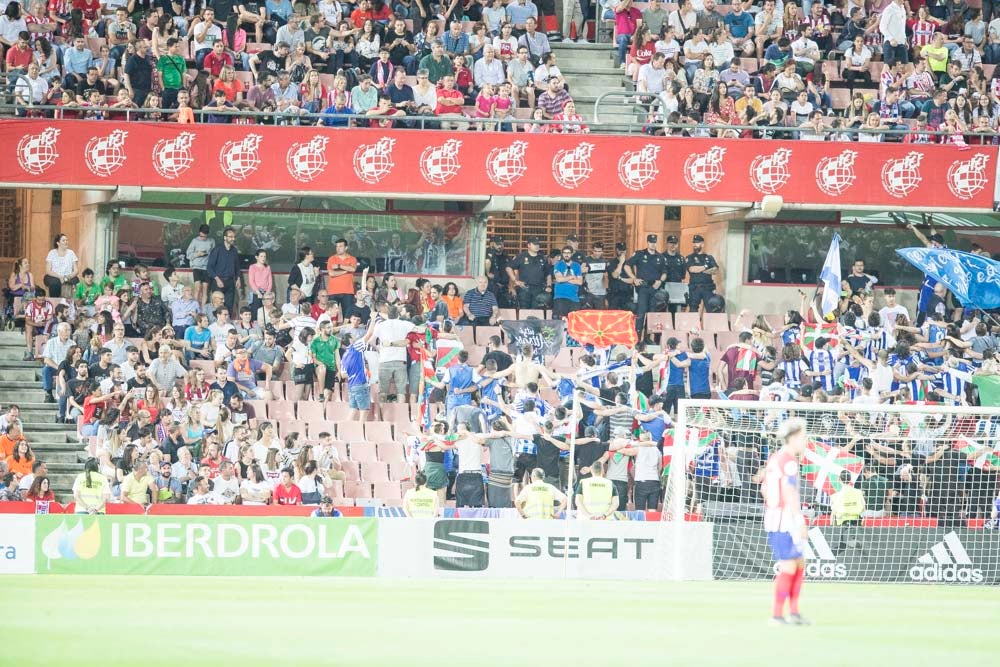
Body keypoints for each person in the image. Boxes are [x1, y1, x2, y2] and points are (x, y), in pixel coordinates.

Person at [763, 417, 809, 625]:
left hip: (776, 517)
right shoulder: (789, 460)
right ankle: (777, 615)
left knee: (799, 563)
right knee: (790, 566)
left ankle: (794, 612)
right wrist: (799, 521)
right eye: (802, 437)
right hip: (784, 520)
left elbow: (764, 487)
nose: (805, 441)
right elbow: (790, 492)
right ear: (793, 438)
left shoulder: (776, 458)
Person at [624, 234, 667, 336]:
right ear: (647, 243)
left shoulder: (660, 257)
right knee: (641, 313)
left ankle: (648, 337)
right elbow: (626, 266)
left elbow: (665, 272)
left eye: (654, 242)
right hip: (643, 287)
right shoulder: (640, 254)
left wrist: (660, 281)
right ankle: (637, 338)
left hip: (655, 288)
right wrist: (634, 278)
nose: (653, 244)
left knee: (652, 314)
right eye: (651, 242)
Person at [206, 227, 241, 314]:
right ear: (225, 238)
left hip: (230, 282)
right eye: (230, 236)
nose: (233, 238)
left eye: (233, 237)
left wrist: (238, 279)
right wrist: (217, 279)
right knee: (218, 306)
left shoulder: (234, 251)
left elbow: (237, 266)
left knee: (229, 306)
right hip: (218, 282)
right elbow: (209, 267)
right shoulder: (217, 249)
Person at [686, 234, 719, 314]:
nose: (695, 245)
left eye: (697, 243)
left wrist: (701, 269)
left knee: (711, 309)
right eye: (694, 243)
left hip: (707, 288)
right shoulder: (689, 257)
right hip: (695, 288)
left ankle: (710, 326)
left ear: (702, 244)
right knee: (693, 310)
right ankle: (693, 326)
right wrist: (706, 266)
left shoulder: (709, 257)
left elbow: (715, 270)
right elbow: (692, 269)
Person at [44, 233, 79, 299]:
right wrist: (59, 277)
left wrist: (69, 276)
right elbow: (48, 270)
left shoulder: (71, 253)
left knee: (74, 281)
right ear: (58, 243)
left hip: (68, 276)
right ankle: (55, 303)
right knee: (55, 283)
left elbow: (76, 270)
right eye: (63, 240)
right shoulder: (52, 253)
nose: (66, 242)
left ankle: (69, 304)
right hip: (55, 276)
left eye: (67, 240)